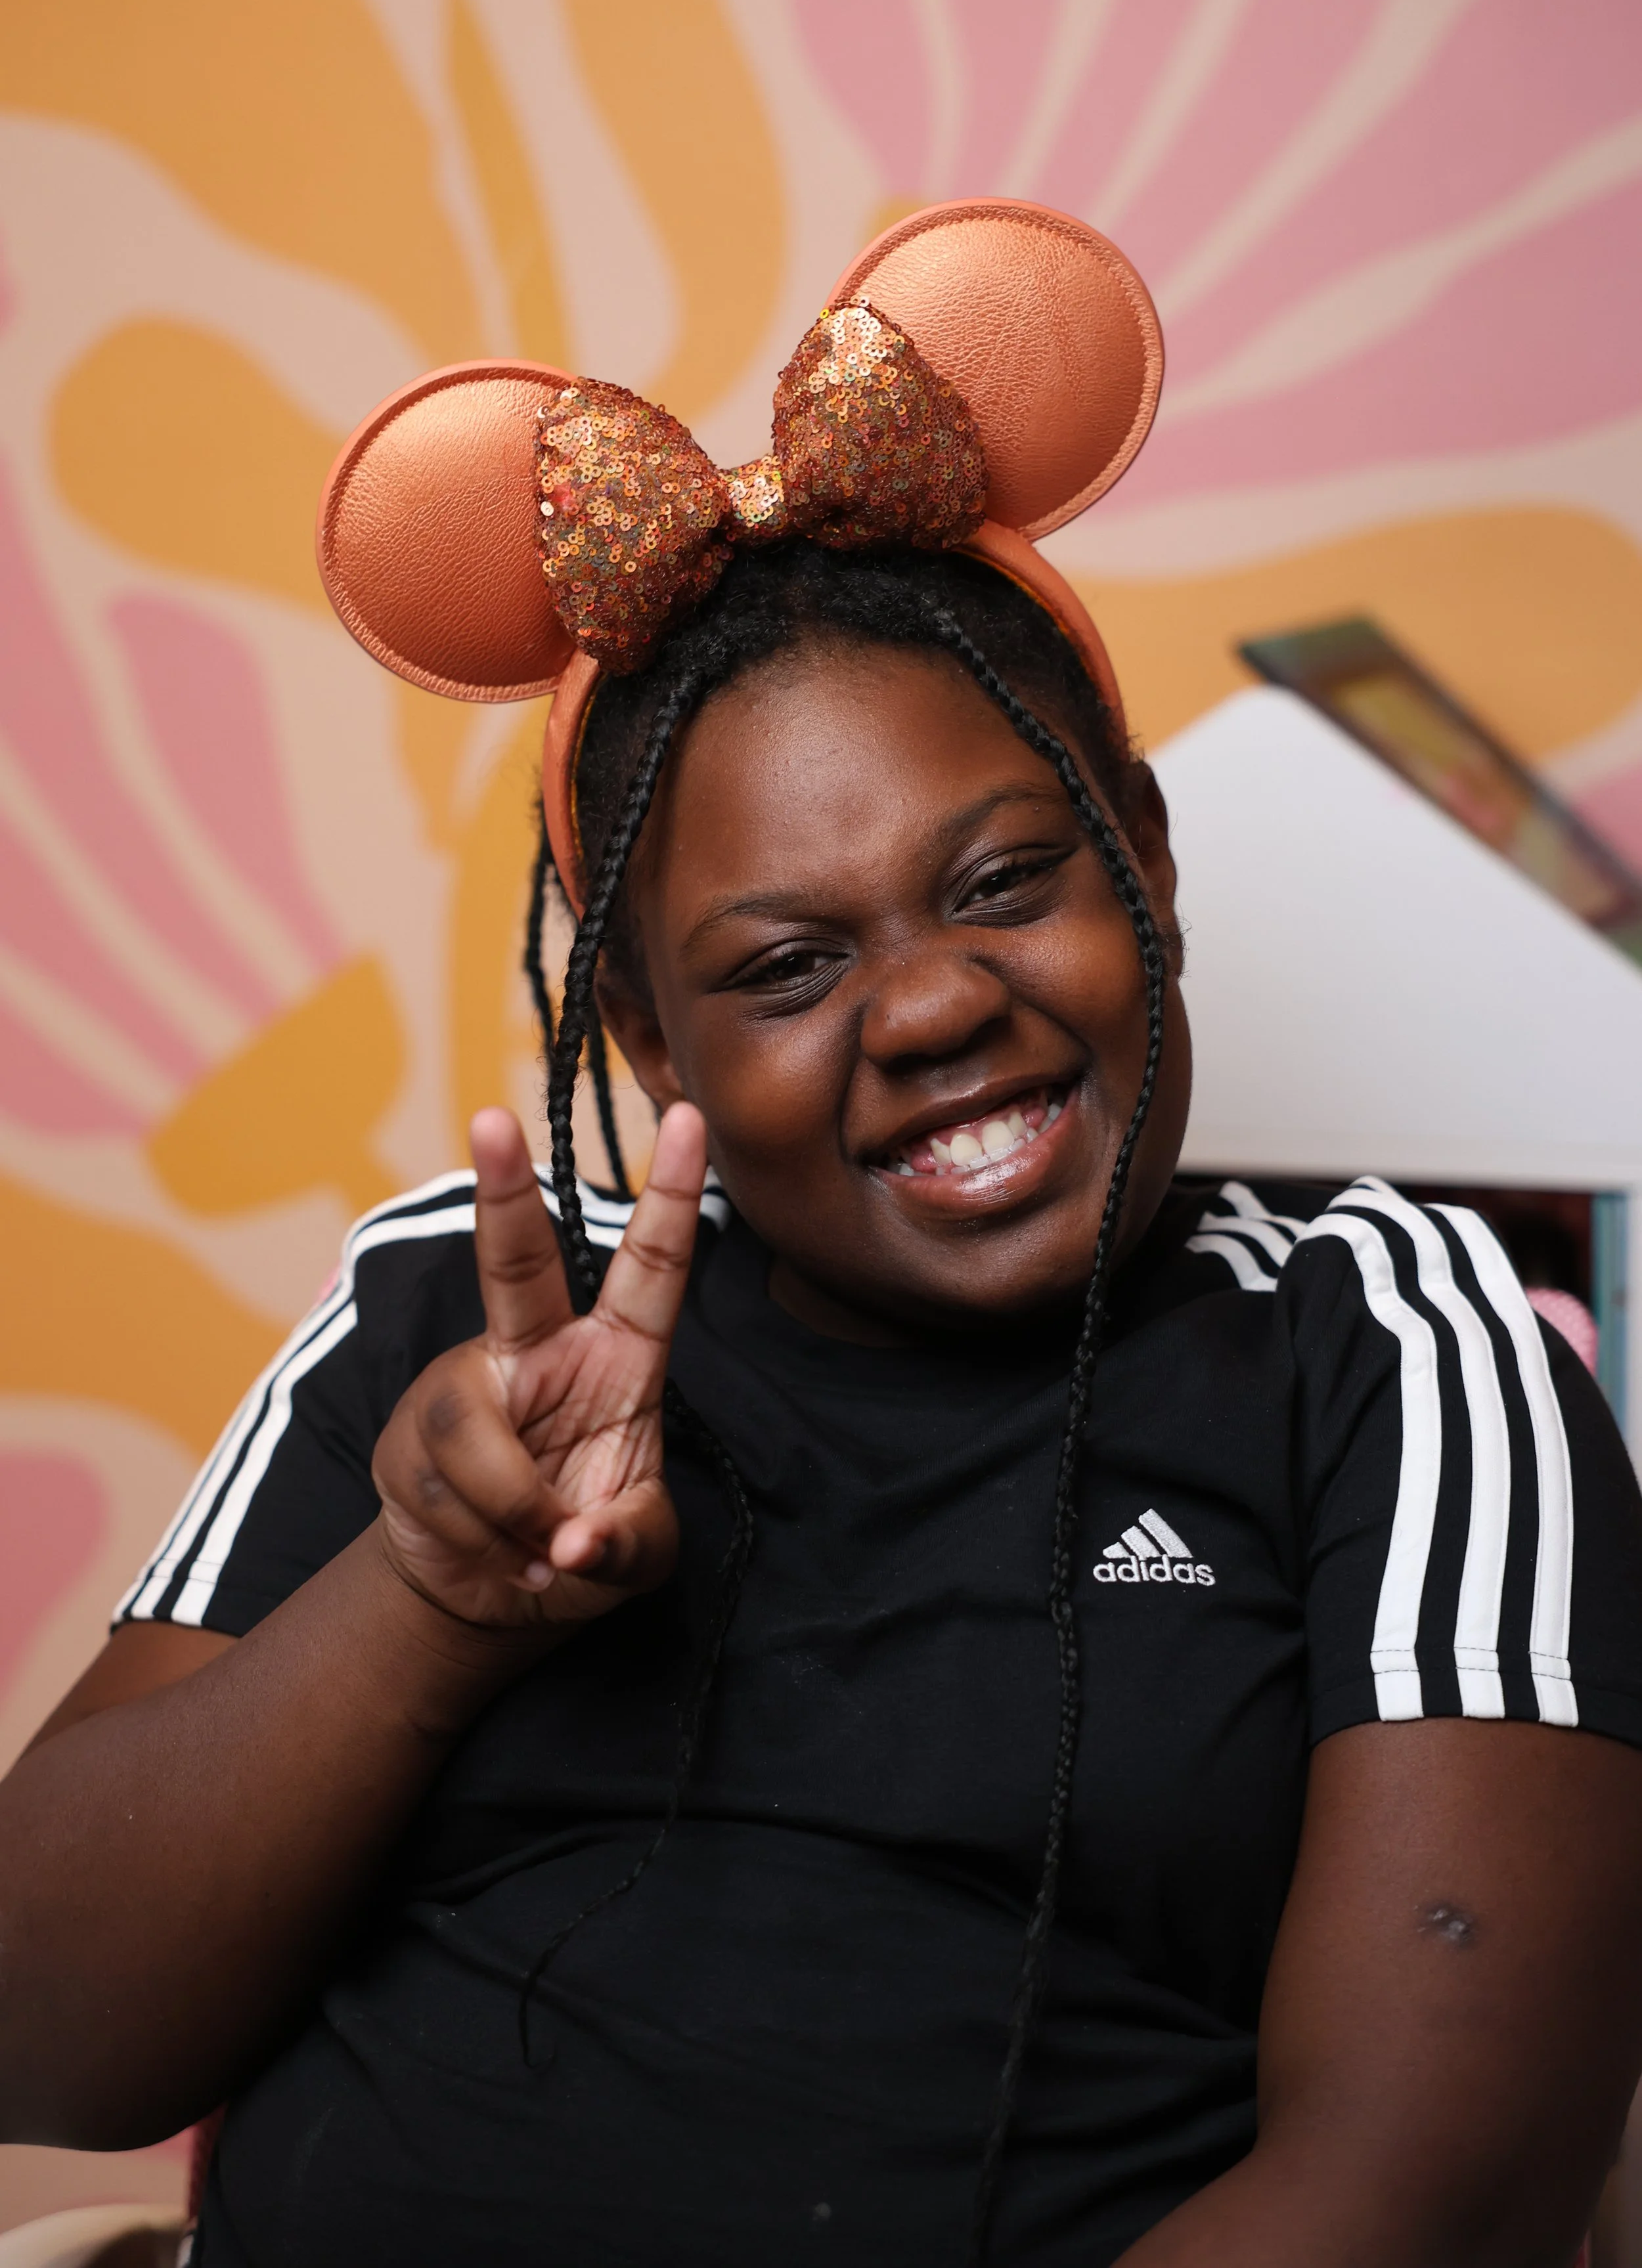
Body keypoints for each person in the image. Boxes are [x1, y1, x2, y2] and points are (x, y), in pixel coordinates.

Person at [3, 202, 1642, 2268]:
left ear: (1140, 848)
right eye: (782, 967)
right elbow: (43, 2044)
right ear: (642, 1029)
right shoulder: (450, 1303)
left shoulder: (1381, 1349)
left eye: (1005, 876)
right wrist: (430, 1591)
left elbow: (1426, 2192)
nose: (935, 1003)